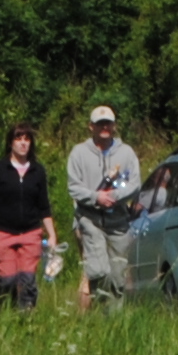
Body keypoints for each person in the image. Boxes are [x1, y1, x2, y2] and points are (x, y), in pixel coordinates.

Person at [64, 103, 140, 311]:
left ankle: (111, 321)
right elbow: (73, 187)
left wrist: (114, 197)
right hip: (90, 220)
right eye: (100, 124)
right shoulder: (79, 153)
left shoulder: (126, 153)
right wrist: (96, 197)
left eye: (108, 123)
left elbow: (135, 185)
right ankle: (98, 306)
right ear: (91, 126)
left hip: (118, 223)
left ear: (114, 126)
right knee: (99, 270)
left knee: (117, 276)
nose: (104, 127)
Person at [0, 123, 52, 310]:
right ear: (10, 143)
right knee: (8, 280)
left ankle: (27, 319)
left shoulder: (37, 171)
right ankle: (4, 314)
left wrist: (52, 234)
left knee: (28, 281)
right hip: (3, 232)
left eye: (27, 139)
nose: (23, 144)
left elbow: (44, 206)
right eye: (18, 139)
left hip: (30, 232)